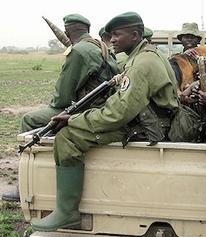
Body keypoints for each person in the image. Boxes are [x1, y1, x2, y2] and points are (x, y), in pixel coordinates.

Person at [31, 11, 179, 232]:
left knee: (68, 137)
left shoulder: (141, 63)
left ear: (135, 35)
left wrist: (74, 119)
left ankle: (67, 212)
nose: (112, 40)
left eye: (117, 35)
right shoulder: (146, 55)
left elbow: (118, 113)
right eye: (111, 35)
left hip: (149, 128)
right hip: (152, 121)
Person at [1, 14, 119, 202]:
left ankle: (24, 185)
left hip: (84, 108)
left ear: (67, 32)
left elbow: (62, 97)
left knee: (29, 119)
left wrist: (54, 106)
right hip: (100, 106)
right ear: (86, 29)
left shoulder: (78, 51)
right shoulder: (101, 47)